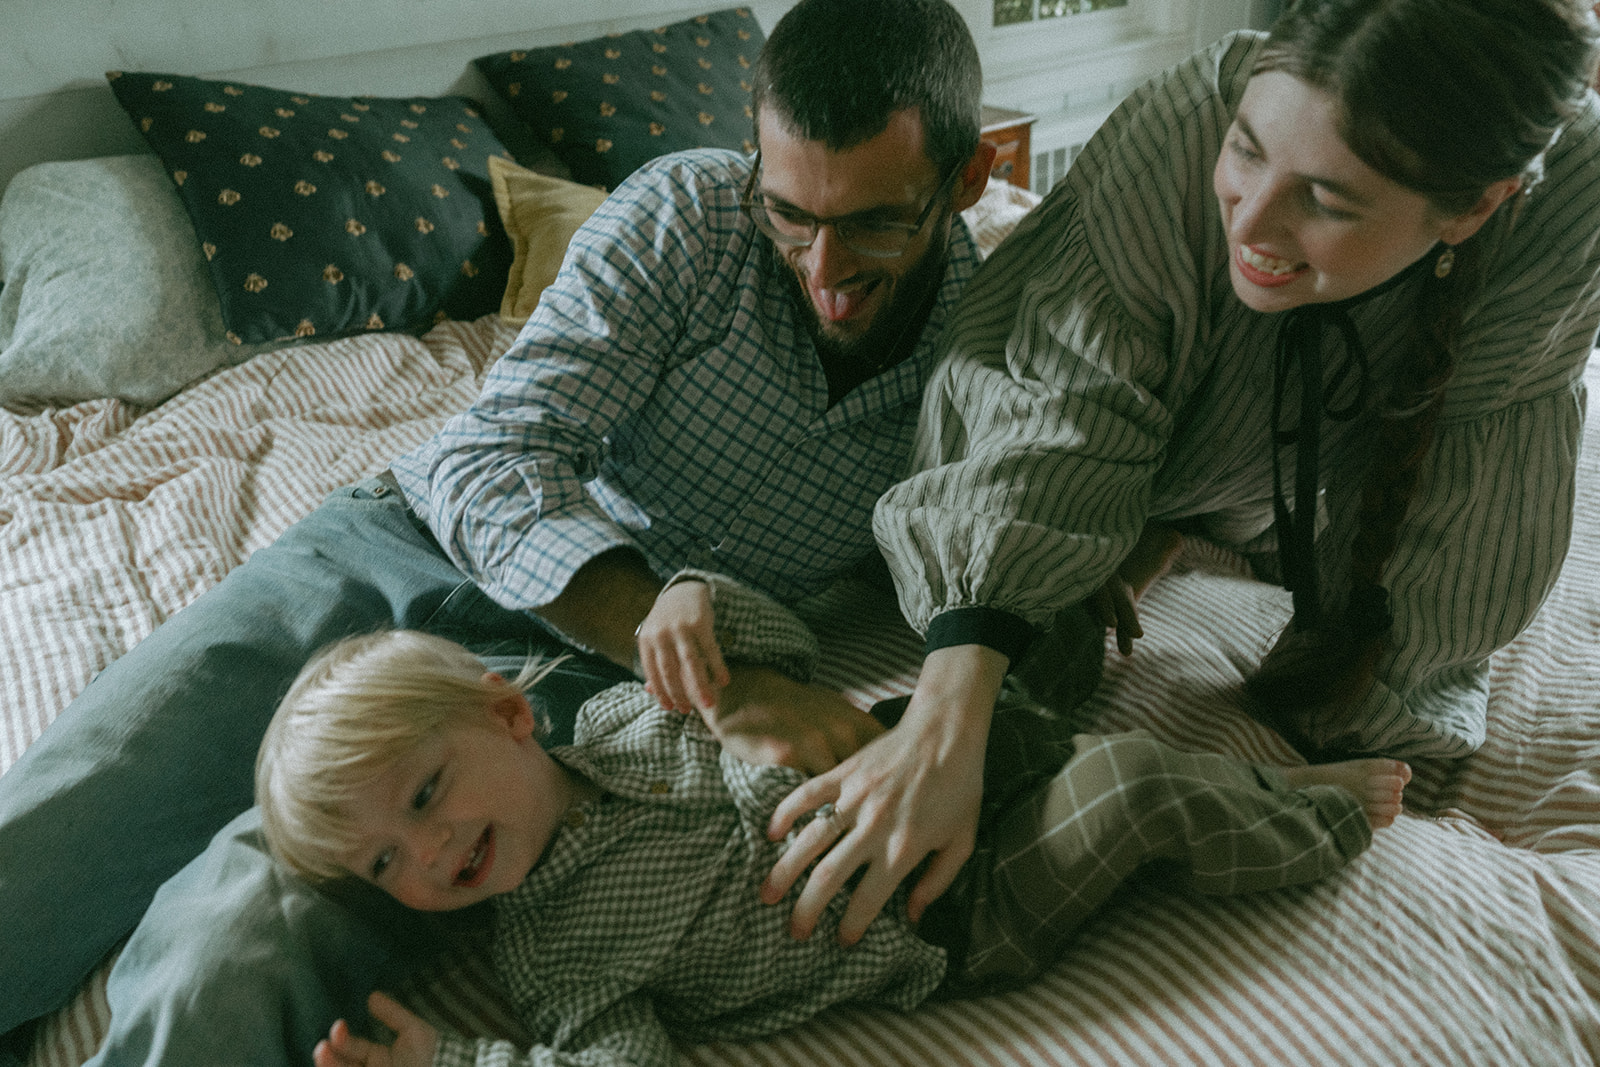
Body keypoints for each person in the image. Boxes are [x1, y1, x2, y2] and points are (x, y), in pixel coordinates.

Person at [0, 1, 996, 1061]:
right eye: (790, 213)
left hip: (588, 700)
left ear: (968, 180)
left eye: (876, 224)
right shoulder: (687, 215)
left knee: (236, 933)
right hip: (408, 552)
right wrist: (730, 683)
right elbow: (491, 454)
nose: (825, 274)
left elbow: (1032, 523)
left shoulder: (999, 343)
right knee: (69, 821)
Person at [731, 0, 1600, 956]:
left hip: (1290, 481)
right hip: (1124, 435)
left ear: (1479, 205)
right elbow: (1068, 395)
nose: (1254, 220)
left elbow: (1474, 472)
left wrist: (1339, 710)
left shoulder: (1569, 204)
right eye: (1247, 150)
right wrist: (948, 714)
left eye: (1327, 199)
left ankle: (1167, 533)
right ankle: (1144, 525)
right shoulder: (1177, 129)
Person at [252, 572, 1407, 1067]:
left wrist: (694, 598)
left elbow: (785, 659)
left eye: (420, 796)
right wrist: (454, 1060)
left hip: (915, 757)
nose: (432, 853)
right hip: (943, 913)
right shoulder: (556, 952)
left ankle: (1104, 667)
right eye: (384, 861)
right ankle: (1314, 812)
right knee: (1133, 784)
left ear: (508, 714)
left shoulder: (623, 712)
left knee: (1011, 652)